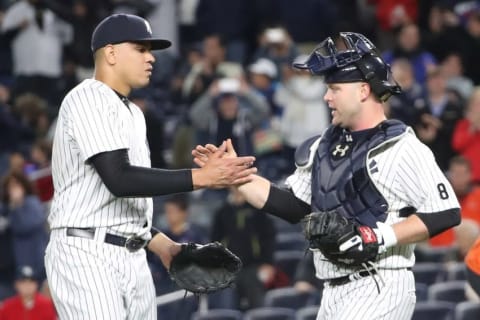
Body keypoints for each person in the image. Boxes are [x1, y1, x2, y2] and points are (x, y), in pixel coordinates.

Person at [193, 32, 461, 319]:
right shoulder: (324, 145)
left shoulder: (401, 146)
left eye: (334, 88)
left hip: (380, 284)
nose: (326, 96)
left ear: (362, 90)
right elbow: (294, 205)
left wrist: (378, 236)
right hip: (332, 290)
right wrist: (234, 176)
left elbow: (445, 212)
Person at [44, 13, 257, 320]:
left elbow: (122, 200)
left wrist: (164, 247)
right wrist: (202, 177)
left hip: (131, 252)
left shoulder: (133, 113)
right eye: (140, 49)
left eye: (150, 51)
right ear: (111, 53)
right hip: (86, 251)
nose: (151, 58)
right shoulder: (87, 97)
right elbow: (119, 179)